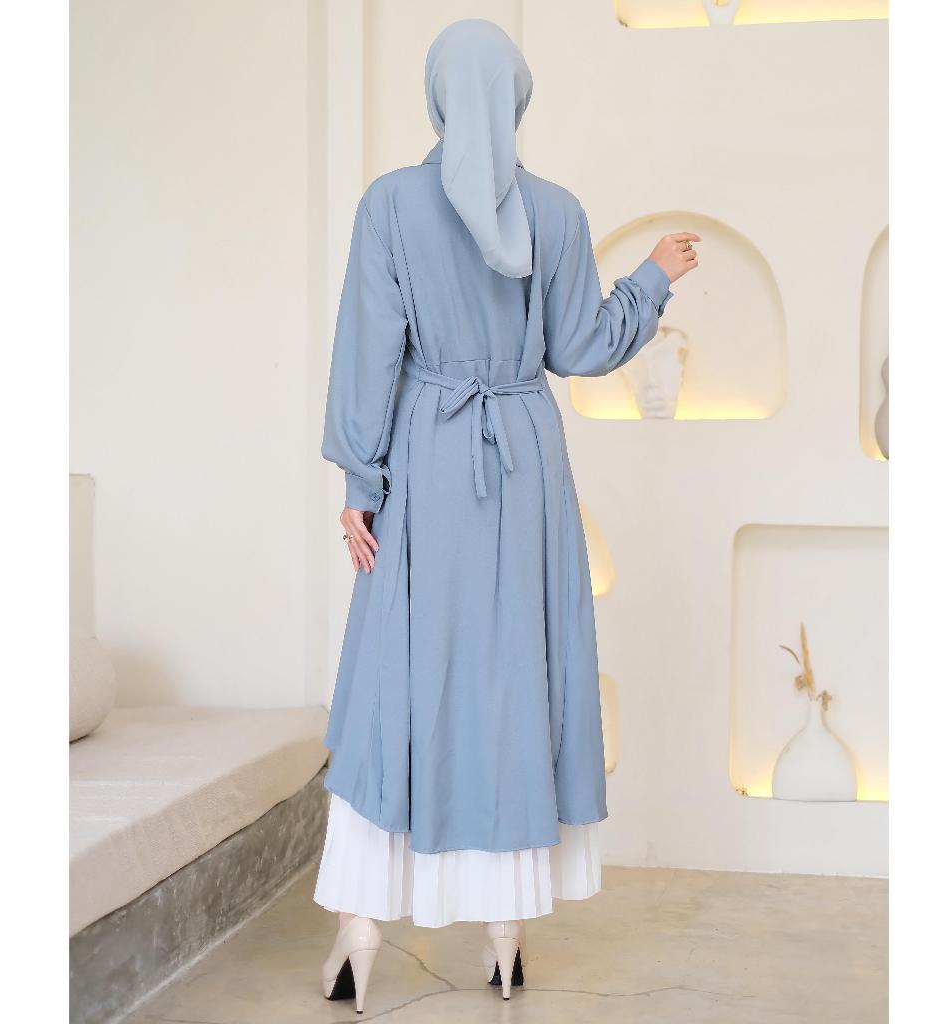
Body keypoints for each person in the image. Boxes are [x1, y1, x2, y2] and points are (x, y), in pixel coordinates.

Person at [314, 18, 700, 1012]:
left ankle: (360, 932)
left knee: (401, 675)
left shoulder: (390, 205)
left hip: (427, 458)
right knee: (515, 675)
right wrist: (653, 276)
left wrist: (361, 482)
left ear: (439, 98)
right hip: (525, 463)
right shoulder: (556, 213)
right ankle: (505, 938)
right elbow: (579, 348)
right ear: (518, 98)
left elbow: (369, 352)